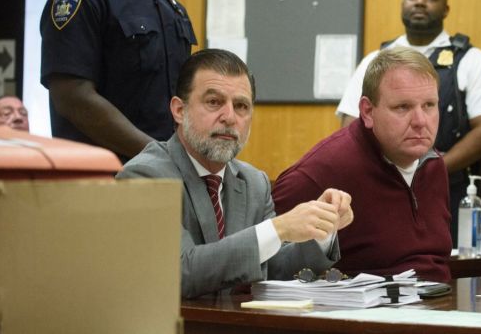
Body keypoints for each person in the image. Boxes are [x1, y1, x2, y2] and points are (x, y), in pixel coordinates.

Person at [117, 49, 354, 298]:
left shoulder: (254, 182)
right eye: (214, 102)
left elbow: (270, 267)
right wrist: (277, 228)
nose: (229, 117)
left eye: (241, 106)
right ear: (179, 110)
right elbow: (178, 272)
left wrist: (321, 229)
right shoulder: (143, 176)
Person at [336, 0, 481, 241]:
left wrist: (432, 171)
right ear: (403, 3)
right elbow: (350, 126)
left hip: (448, 193)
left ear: (446, 9)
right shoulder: (376, 60)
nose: (420, 2)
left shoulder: (471, 59)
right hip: (381, 189)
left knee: (442, 276)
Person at [274, 47, 451, 282]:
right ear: (367, 111)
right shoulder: (319, 172)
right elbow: (264, 270)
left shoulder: (433, 164)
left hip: (440, 305)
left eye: (429, 105)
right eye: (403, 107)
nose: (420, 121)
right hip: (363, 313)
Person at [40, 0, 196, 162]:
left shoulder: (168, 5)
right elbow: (73, 97)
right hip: (104, 178)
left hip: (168, 174)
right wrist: (159, 155)